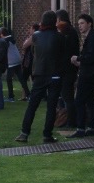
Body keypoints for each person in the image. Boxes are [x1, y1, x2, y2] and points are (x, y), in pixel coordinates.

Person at [15, 10, 67, 143]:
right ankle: (47, 135)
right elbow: (63, 55)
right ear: (54, 21)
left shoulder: (37, 36)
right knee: (51, 105)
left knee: (32, 105)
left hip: (39, 73)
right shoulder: (60, 37)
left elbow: (26, 45)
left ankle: (24, 133)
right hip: (55, 75)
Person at [67, 14, 94, 138]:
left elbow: (91, 57)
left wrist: (78, 58)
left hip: (88, 75)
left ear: (89, 24)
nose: (80, 26)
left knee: (79, 101)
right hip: (89, 73)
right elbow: (89, 58)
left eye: (82, 23)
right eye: (79, 24)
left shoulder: (93, 38)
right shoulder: (91, 37)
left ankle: (81, 128)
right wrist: (79, 62)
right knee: (91, 101)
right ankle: (91, 127)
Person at [56, 9, 80, 128]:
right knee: (66, 95)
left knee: (67, 96)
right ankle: (67, 119)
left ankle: (71, 122)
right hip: (69, 68)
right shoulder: (71, 31)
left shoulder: (66, 31)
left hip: (66, 69)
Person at [1, 27, 31, 102]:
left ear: (1, 34)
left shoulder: (5, 41)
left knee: (8, 79)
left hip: (11, 62)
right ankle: (29, 95)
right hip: (17, 60)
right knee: (21, 79)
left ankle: (11, 97)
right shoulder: (10, 39)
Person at [20, 23, 39, 101]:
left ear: (34, 29)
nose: (29, 30)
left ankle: (28, 95)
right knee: (28, 78)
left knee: (24, 79)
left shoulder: (34, 36)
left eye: (31, 28)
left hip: (29, 61)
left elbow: (24, 45)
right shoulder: (37, 36)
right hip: (29, 60)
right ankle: (25, 96)